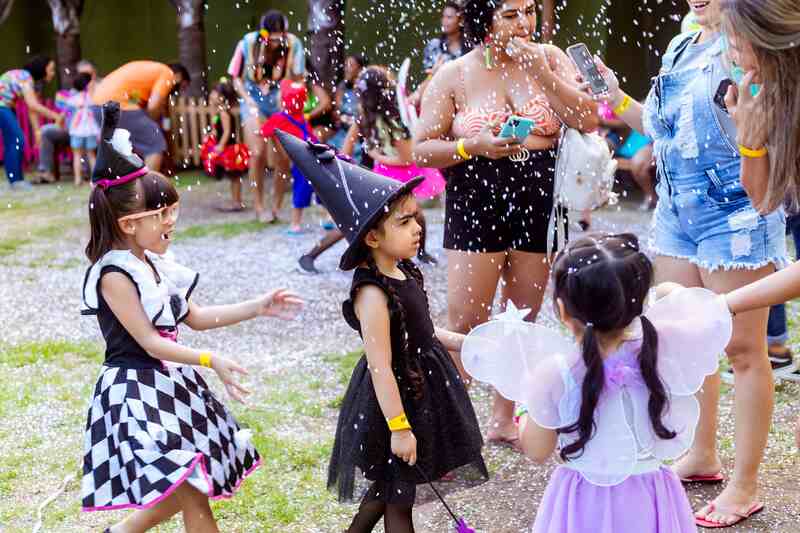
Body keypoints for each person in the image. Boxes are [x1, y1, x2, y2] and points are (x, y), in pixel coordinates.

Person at [584, 0, 787, 527]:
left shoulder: (749, 50)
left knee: (743, 351)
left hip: (737, 215)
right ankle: (701, 454)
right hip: (677, 215)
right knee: (684, 339)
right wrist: (613, 95)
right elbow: (655, 126)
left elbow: (761, 131)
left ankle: (745, 486)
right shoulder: (681, 45)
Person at [80, 102, 303, 532]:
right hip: (135, 391)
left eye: (172, 211)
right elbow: (149, 341)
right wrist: (208, 360)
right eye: (161, 214)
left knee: (185, 485)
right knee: (192, 489)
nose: (171, 221)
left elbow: (196, 317)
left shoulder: (154, 264)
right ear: (129, 224)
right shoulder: (113, 273)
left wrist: (257, 306)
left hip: (169, 384)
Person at [275, 131, 487, 533]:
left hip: (422, 391)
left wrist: (467, 343)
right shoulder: (372, 292)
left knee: (390, 487)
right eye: (404, 222)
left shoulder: (406, 270)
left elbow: (422, 332)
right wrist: (400, 428)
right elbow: (381, 365)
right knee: (397, 498)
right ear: (372, 237)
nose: (417, 229)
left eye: (416, 219)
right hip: (393, 402)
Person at [412, 0, 598, 448]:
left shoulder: (551, 57)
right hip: (476, 192)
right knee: (467, 318)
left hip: (539, 196)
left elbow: (589, 118)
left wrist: (542, 72)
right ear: (484, 18)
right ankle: (450, 422)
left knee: (522, 315)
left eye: (529, 11)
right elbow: (420, 149)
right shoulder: (455, 73)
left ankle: (503, 417)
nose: (524, 23)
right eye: (510, 14)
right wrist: (469, 146)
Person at [461, 233, 733, 533]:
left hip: (584, 502)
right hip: (651, 495)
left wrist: (528, 407)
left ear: (563, 310)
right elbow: (697, 309)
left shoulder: (554, 373)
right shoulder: (661, 345)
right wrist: (663, 293)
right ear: (636, 301)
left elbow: (537, 450)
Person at [357, 66, 443, 264]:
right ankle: (402, 252)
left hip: (398, 171)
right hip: (393, 172)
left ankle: (415, 253)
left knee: (411, 214)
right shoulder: (386, 118)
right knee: (390, 216)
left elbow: (407, 158)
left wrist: (376, 156)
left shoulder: (388, 119)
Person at [228, 9, 305, 223]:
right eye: (270, 38)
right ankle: (259, 205)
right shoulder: (247, 43)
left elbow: (297, 76)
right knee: (258, 152)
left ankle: (276, 207)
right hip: (252, 99)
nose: (274, 43)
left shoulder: (293, 44)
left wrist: (286, 95)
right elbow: (236, 78)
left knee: (284, 155)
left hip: (280, 100)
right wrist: (249, 101)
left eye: (278, 38)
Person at [91, 61, 190, 172]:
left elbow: (133, 97)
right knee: (155, 144)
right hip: (117, 105)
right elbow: (153, 106)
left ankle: (123, 184)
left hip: (97, 105)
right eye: (182, 86)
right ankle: (148, 187)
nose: (178, 91)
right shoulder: (168, 73)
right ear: (178, 76)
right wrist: (152, 119)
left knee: (123, 148)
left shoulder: (149, 72)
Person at [261, 79, 318, 235]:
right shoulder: (301, 118)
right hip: (315, 155)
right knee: (320, 189)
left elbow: (264, 131)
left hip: (301, 158)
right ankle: (329, 219)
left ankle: (295, 223)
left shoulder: (279, 118)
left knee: (299, 188)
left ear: (283, 100)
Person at [0, 55, 63, 189]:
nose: (52, 73)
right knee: (17, 140)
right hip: (2, 106)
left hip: (6, 107)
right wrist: (56, 116)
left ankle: (17, 180)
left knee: (12, 141)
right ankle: (16, 181)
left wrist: (37, 131)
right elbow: (33, 105)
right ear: (42, 69)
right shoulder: (25, 78)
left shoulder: (29, 82)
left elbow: (31, 109)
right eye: (50, 69)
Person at [35, 59, 99, 184]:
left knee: (85, 141)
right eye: (83, 75)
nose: (86, 79)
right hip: (72, 130)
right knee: (46, 131)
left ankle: (88, 174)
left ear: (95, 74)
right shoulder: (74, 93)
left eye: (89, 75)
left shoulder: (103, 89)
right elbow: (64, 111)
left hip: (94, 131)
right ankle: (45, 172)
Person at [200, 79, 250, 211]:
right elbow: (219, 129)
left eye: (214, 93)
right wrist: (211, 133)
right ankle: (236, 201)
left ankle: (237, 202)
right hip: (228, 148)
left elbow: (227, 131)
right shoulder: (219, 112)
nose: (211, 95)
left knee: (235, 176)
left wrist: (221, 145)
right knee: (233, 177)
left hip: (230, 149)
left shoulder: (224, 113)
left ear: (222, 97)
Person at [409, 1, 470, 107]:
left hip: (462, 97)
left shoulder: (469, 49)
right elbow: (428, 76)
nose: (444, 21)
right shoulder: (434, 46)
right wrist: (435, 73)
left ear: (461, 21)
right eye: (443, 17)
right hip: (435, 94)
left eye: (449, 17)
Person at [65, 72, 100, 186]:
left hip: (77, 130)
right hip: (90, 129)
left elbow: (67, 110)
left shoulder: (73, 99)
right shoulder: (91, 98)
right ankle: (95, 180)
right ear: (87, 84)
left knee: (77, 155)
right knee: (91, 155)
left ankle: (77, 179)